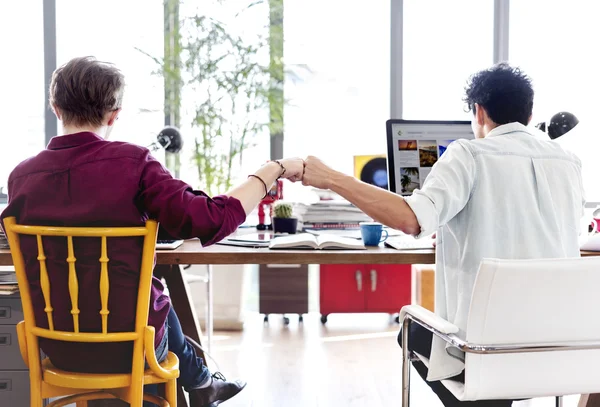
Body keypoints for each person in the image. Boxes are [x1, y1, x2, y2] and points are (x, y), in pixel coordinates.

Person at [0, 56, 304, 407]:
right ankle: (202, 385)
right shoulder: (134, 163)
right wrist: (272, 170)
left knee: (150, 294)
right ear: (114, 114)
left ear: (55, 108)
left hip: (55, 346)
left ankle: (202, 384)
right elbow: (212, 219)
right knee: (151, 296)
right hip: (129, 348)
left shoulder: (21, 176)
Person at [302, 63, 584, 406]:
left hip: (484, 356)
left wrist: (332, 178)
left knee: (412, 329)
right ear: (529, 113)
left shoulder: (469, 154)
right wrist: (460, 230)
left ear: (479, 112)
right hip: (559, 354)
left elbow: (410, 219)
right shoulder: (569, 162)